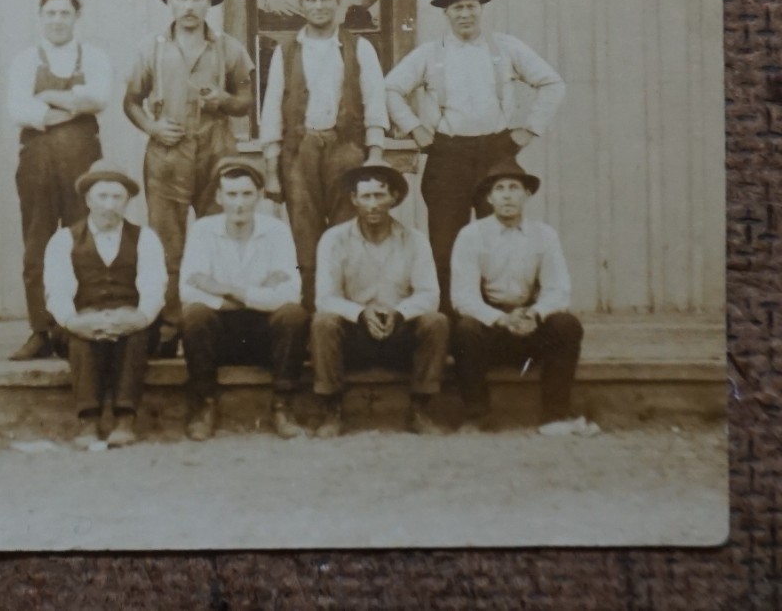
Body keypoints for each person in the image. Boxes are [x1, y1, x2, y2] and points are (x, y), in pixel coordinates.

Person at [384, 0, 565, 311]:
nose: (464, 14)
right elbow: (390, 89)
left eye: (470, 6)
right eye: (456, 8)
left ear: (481, 8)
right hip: (447, 153)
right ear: (446, 13)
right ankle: (451, 326)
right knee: (445, 243)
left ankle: (493, 320)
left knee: (494, 237)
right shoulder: (429, 53)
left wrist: (529, 129)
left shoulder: (506, 48)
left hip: (496, 153)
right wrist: (414, 128)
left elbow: (553, 84)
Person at [122, 0, 255, 355]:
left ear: (209, 2)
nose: (190, 6)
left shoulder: (229, 47)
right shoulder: (151, 47)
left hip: (217, 151)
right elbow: (129, 101)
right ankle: (169, 328)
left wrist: (226, 100)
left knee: (220, 239)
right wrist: (152, 127)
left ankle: (219, 328)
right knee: (167, 245)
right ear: (170, 1)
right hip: (167, 153)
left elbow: (246, 101)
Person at [259, 0, 387, 311]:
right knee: (304, 233)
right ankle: (312, 315)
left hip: (346, 149)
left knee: (348, 231)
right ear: (301, 4)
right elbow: (272, 109)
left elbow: (375, 101)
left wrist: (374, 154)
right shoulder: (286, 51)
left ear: (339, 3)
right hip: (299, 153)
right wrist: (271, 169)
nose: (319, 5)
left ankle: (345, 314)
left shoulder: (359, 48)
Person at [450, 159, 597, 436]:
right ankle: (477, 415)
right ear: (489, 197)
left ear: (526, 195)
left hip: (528, 323)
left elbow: (558, 290)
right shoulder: (471, 236)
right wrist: (501, 319)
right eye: (500, 188)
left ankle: (555, 415)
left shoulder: (544, 235)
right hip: (491, 326)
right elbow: (463, 297)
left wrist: (534, 314)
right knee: (465, 329)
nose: (507, 195)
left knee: (567, 325)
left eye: (515, 188)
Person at [6, 0, 112, 360]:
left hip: (83, 163)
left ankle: (78, 329)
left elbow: (100, 97)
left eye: (64, 13)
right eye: (50, 13)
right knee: (37, 244)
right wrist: (69, 106)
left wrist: (49, 97)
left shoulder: (93, 55)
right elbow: (18, 108)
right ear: (41, 18)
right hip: (36, 162)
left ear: (76, 17)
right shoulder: (25, 59)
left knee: (83, 239)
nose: (57, 20)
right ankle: (41, 329)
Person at [310, 164, 450, 437]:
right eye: (365, 197)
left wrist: (399, 314)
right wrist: (360, 313)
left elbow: (429, 294)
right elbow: (325, 297)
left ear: (393, 198)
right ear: (354, 200)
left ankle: (420, 409)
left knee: (436, 322)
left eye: (379, 196)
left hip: (399, 333)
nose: (372, 205)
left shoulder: (415, 240)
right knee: (323, 322)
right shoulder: (334, 239)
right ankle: (332, 410)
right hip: (355, 334)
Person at [178, 156, 309, 441]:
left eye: (247, 194)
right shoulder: (203, 230)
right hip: (221, 335)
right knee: (194, 316)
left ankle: (282, 405)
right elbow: (189, 290)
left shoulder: (277, 231)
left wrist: (226, 289)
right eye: (232, 194)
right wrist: (259, 292)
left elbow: (290, 292)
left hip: (264, 335)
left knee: (292, 315)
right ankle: (205, 405)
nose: (239, 203)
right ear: (219, 197)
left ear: (260, 196)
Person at [42, 164, 166, 447]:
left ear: (127, 202)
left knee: (136, 336)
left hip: (132, 319)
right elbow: (57, 290)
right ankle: (88, 420)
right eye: (102, 197)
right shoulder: (64, 240)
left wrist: (141, 317)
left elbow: (154, 285)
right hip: (81, 320)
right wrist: (75, 321)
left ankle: (125, 418)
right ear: (87, 200)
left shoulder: (145, 238)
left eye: (117, 198)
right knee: (79, 339)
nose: (109, 205)